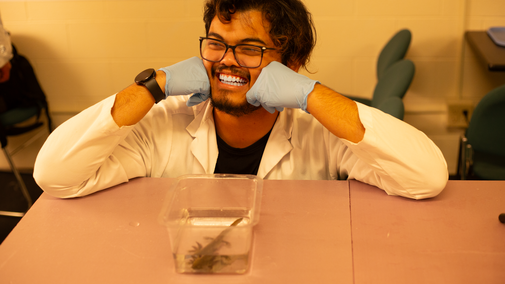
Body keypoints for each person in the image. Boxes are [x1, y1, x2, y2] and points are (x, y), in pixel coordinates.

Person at [33, 0, 448, 200]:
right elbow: (55, 174)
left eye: (249, 48)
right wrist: (154, 85)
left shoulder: (319, 134)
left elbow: (426, 177)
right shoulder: (166, 124)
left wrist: (311, 96)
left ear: (293, 62)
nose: (226, 61)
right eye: (216, 44)